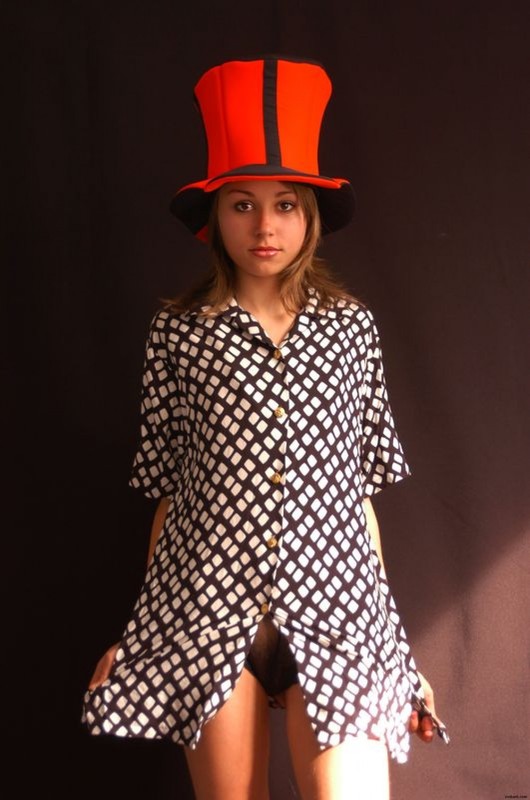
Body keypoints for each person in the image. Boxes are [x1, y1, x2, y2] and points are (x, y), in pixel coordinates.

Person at [83, 56, 442, 800]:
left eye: (285, 204)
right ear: (214, 217)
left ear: (309, 215)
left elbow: (358, 497)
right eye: (242, 204)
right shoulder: (179, 332)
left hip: (339, 612)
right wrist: (141, 633)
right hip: (206, 611)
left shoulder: (351, 329)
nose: (265, 225)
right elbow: (172, 494)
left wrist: (396, 649)